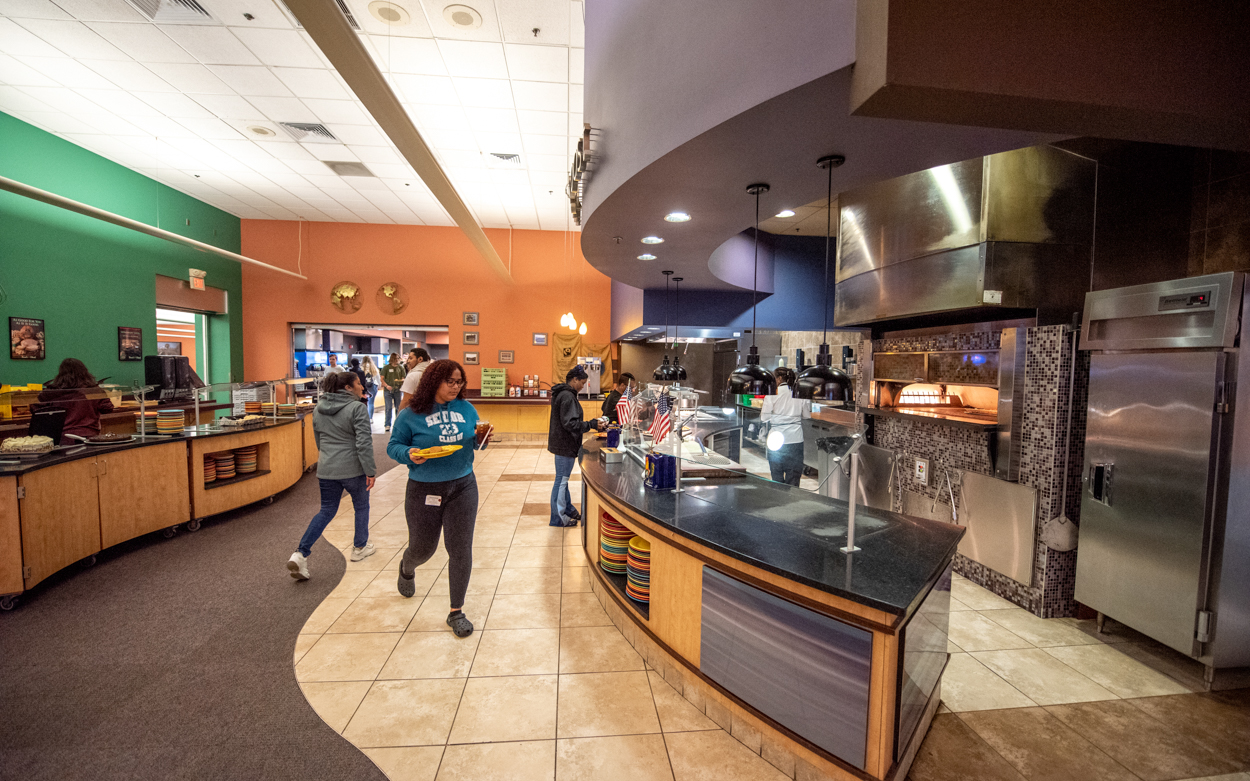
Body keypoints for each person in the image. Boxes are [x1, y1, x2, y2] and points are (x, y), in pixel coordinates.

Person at [387, 359, 490, 638]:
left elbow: (473, 442)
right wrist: (408, 454)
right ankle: (408, 567)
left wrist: (482, 439)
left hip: (463, 486)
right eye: (450, 382)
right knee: (423, 548)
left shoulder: (467, 409)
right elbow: (393, 446)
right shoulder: (411, 414)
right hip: (424, 488)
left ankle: (456, 611)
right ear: (434, 381)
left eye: (459, 382)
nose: (456, 387)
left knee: (460, 549)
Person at [288, 371, 377, 580]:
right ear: (347, 387)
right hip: (353, 468)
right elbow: (364, 443)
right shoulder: (357, 408)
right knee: (361, 506)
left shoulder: (318, 409)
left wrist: (328, 459)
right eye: (358, 383)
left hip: (327, 469)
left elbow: (319, 441)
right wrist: (370, 470)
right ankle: (359, 547)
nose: (362, 387)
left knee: (326, 510)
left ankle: (300, 553)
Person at [547, 365, 604, 527]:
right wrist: (591, 424)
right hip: (565, 444)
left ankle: (568, 509)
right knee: (561, 480)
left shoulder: (564, 394)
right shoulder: (567, 396)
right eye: (582, 382)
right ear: (574, 380)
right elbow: (570, 423)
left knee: (563, 479)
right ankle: (557, 517)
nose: (583, 386)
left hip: (563, 443)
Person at [35, 358, 114, 443]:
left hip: (62, 436)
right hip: (89, 435)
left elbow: (36, 410)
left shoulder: (52, 391)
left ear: (61, 373)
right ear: (85, 372)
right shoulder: (93, 390)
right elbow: (108, 408)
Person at [760, 366, 809, 486]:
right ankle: (791, 503)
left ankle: (779, 502)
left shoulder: (772, 394)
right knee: (793, 478)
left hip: (776, 439)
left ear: (780, 378)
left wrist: (776, 416)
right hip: (795, 438)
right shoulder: (800, 392)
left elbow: (764, 418)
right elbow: (807, 415)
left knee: (777, 476)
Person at [380, 353, 407, 432]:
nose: (398, 360)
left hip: (397, 390)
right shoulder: (386, 368)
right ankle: (387, 424)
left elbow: (403, 378)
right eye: (397, 358)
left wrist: (401, 382)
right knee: (388, 408)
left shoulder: (401, 368)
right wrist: (387, 386)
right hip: (387, 390)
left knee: (398, 407)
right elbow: (382, 379)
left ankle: (398, 424)